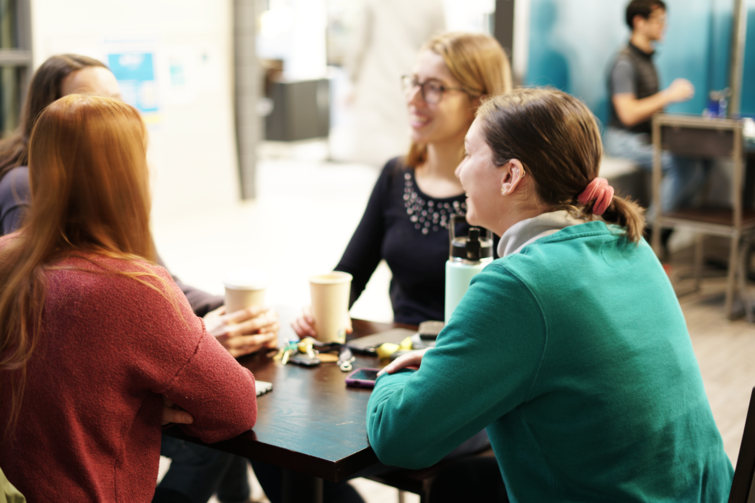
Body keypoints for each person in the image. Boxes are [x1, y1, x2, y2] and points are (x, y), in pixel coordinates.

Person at [367, 88, 734, 502]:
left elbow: (398, 438)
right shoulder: (628, 242)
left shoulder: (518, 284)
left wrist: (392, 377)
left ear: (511, 176)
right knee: (461, 484)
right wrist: (446, 363)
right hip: (702, 492)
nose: (458, 171)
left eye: (469, 155)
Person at [0, 54, 275, 503]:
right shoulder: (134, 290)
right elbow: (236, 408)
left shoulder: (6, 259)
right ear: (128, 175)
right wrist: (148, 405)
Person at [294, 31, 511, 335]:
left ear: (479, 101)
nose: (413, 98)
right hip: (403, 349)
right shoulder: (396, 175)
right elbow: (351, 273)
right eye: (413, 82)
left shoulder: (503, 189)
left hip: (471, 355)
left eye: (434, 88)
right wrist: (323, 310)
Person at [604, 0, 710, 232]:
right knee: (685, 166)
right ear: (639, 22)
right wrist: (668, 95)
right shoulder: (624, 62)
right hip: (624, 139)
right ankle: (647, 233)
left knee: (702, 160)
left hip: (644, 137)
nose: (665, 26)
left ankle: (664, 233)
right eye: (659, 20)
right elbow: (628, 114)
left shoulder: (646, 59)